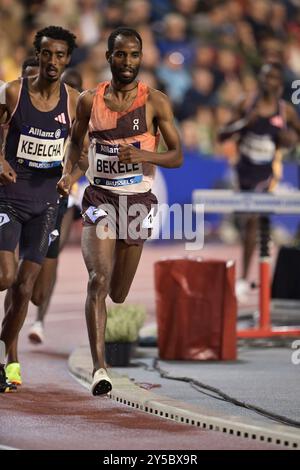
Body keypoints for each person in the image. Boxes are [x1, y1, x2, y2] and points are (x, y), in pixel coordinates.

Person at [57, 27, 182, 396]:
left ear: (140, 58)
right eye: (120, 55)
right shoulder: (87, 101)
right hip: (98, 199)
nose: (127, 62)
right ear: (108, 57)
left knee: (119, 293)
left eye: (133, 55)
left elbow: (177, 156)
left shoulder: (155, 102)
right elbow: (77, 145)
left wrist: (143, 154)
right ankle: (100, 369)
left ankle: (109, 309)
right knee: (98, 279)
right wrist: (69, 175)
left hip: (137, 203)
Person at [0, 25, 83, 393]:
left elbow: (81, 146)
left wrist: (72, 173)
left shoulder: (76, 101)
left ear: (67, 59)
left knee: (25, 287)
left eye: (60, 55)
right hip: (9, 197)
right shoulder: (14, 93)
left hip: (47, 204)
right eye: (47, 54)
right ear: (38, 55)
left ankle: (11, 356)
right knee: (3, 277)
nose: (52, 61)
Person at [219, 62, 300, 302]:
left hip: (267, 172)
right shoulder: (246, 104)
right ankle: (248, 274)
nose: (269, 83)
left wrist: (290, 140)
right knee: (248, 224)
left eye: (274, 78)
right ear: (260, 80)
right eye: (265, 78)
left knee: (253, 218)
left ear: (279, 84)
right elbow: (221, 134)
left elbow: (296, 136)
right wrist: (245, 123)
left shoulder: (285, 111)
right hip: (243, 170)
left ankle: (244, 279)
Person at [27, 67, 85, 348]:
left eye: (76, 87)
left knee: (54, 253)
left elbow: (85, 153)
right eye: (67, 85)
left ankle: (39, 319)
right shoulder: (49, 108)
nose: (70, 91)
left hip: (66, 197)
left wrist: (71, 176)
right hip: (32, 192)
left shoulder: (82, 113)